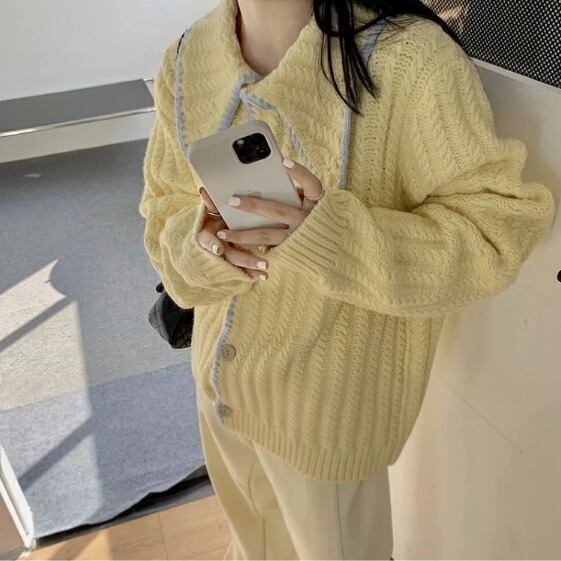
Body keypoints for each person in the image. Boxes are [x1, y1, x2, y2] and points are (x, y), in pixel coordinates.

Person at [139, 0, 556, 559]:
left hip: (328, 419)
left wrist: (332, 238)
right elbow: (162, 210)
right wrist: (204, 248)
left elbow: (495, 231)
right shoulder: (187, 57)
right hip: (220, 393)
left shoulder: (411, 59)